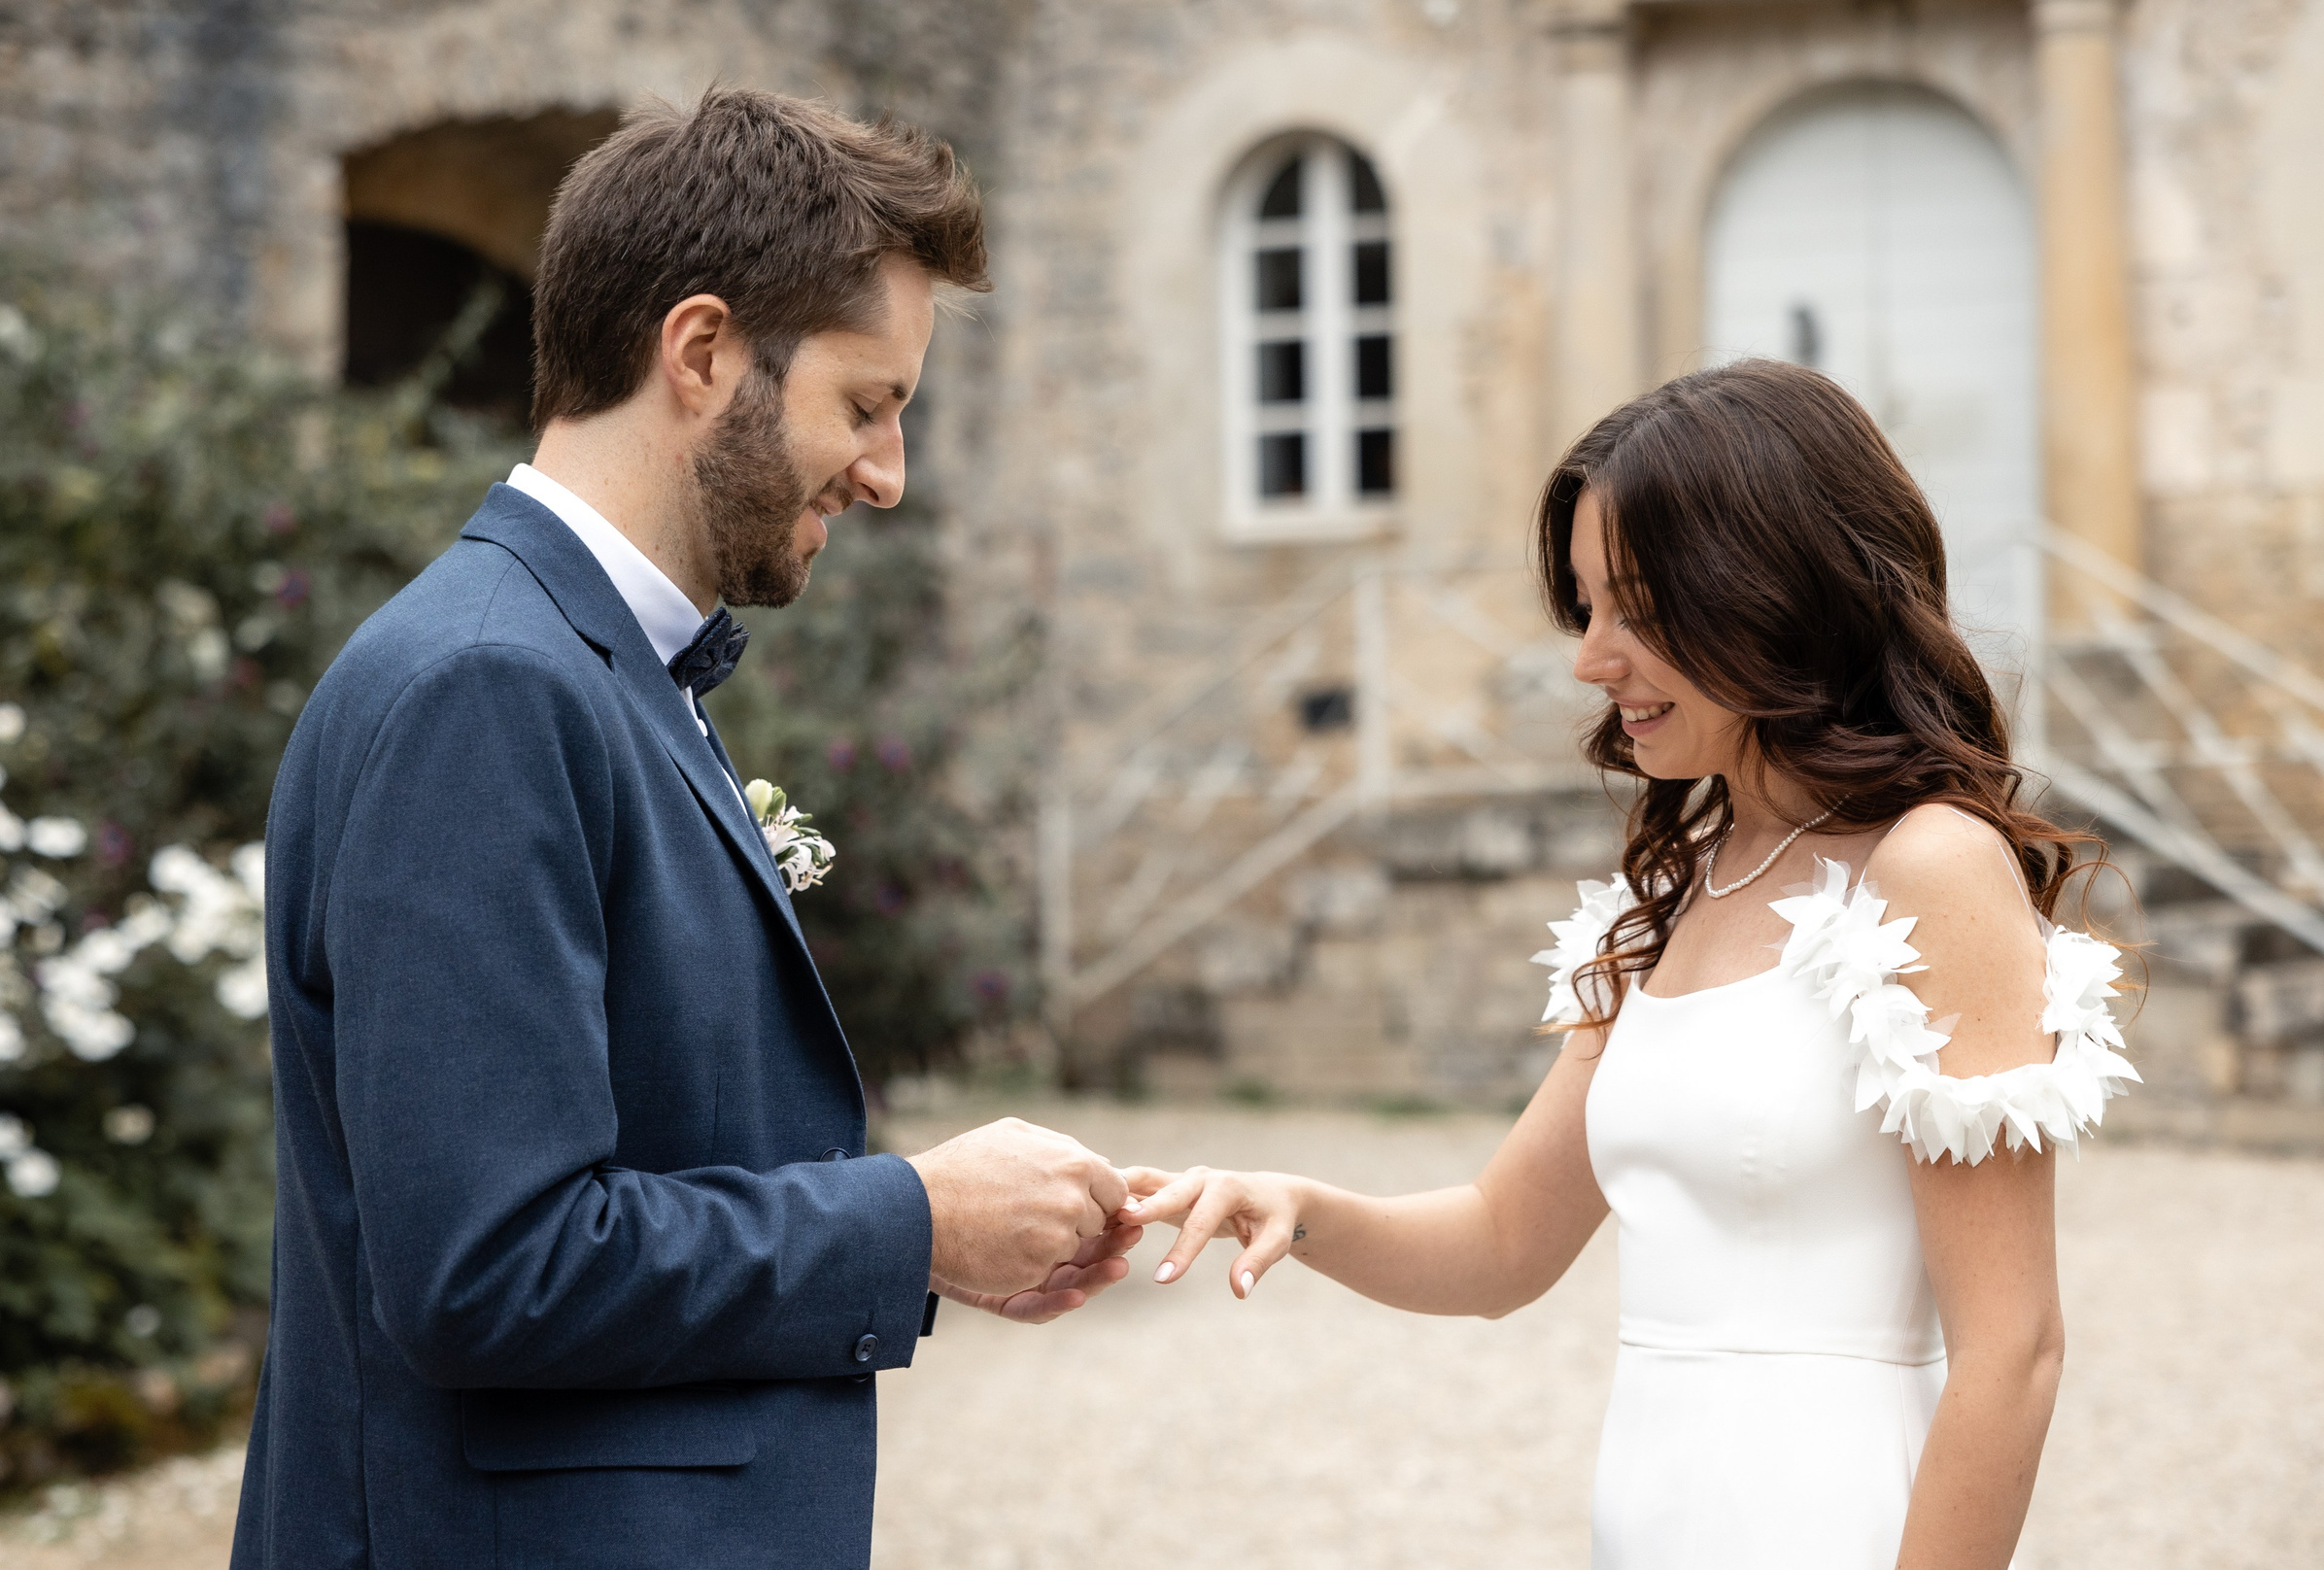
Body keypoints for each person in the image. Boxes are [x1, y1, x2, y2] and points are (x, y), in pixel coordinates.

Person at [233, 88, 1141, 1570]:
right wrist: (913, 1219)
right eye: (868, 401)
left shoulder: (582, 662)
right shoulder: (490, 684)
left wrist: (940, 1236)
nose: (888, 473)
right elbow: (491, 1264)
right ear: (704, 351)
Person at [1122, 359, 2140, 1569]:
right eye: (1587, 608)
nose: (1589, 660)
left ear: (1775, 594)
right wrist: (1300, 1209)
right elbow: (1504, 1244)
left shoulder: (1929, 868)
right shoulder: (1681, 887)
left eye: (1639, 609)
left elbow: (2012, 1348)